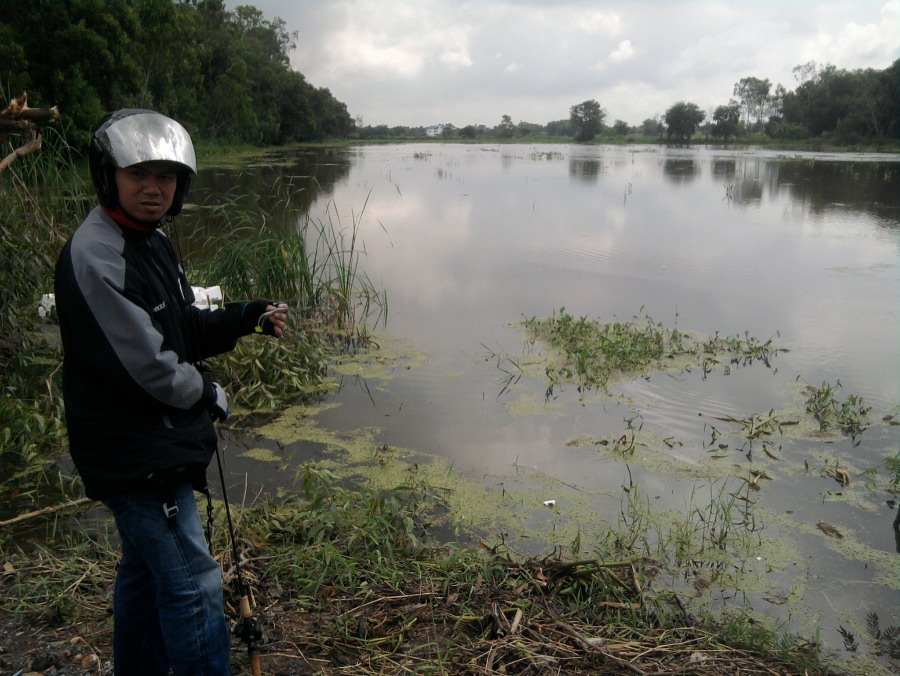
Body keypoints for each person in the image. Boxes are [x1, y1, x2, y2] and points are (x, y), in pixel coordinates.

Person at [54, 108, 287, 675]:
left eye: (166, 177)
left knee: (143, 570)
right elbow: (151, 369)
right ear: (109, 177)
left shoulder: (149, 240)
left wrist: (242, 318)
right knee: (194, 583)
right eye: (139, 176)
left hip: (152, 440)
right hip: (133, 451)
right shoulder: (97, 254)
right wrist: (208, 394)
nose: (153, 189)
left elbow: (178, 325)